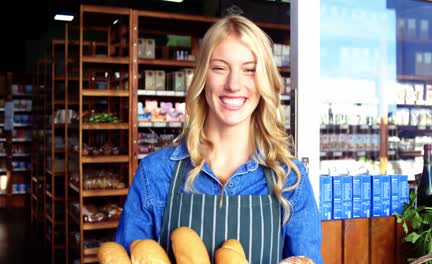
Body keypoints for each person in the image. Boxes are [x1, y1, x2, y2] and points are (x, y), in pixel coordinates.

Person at [115, 15, 323, 264]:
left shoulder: (290, 180)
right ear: (203, 78)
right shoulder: (156, 174)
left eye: (249, 70)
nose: (233, 84)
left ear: (264, 81)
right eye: (220, 68)